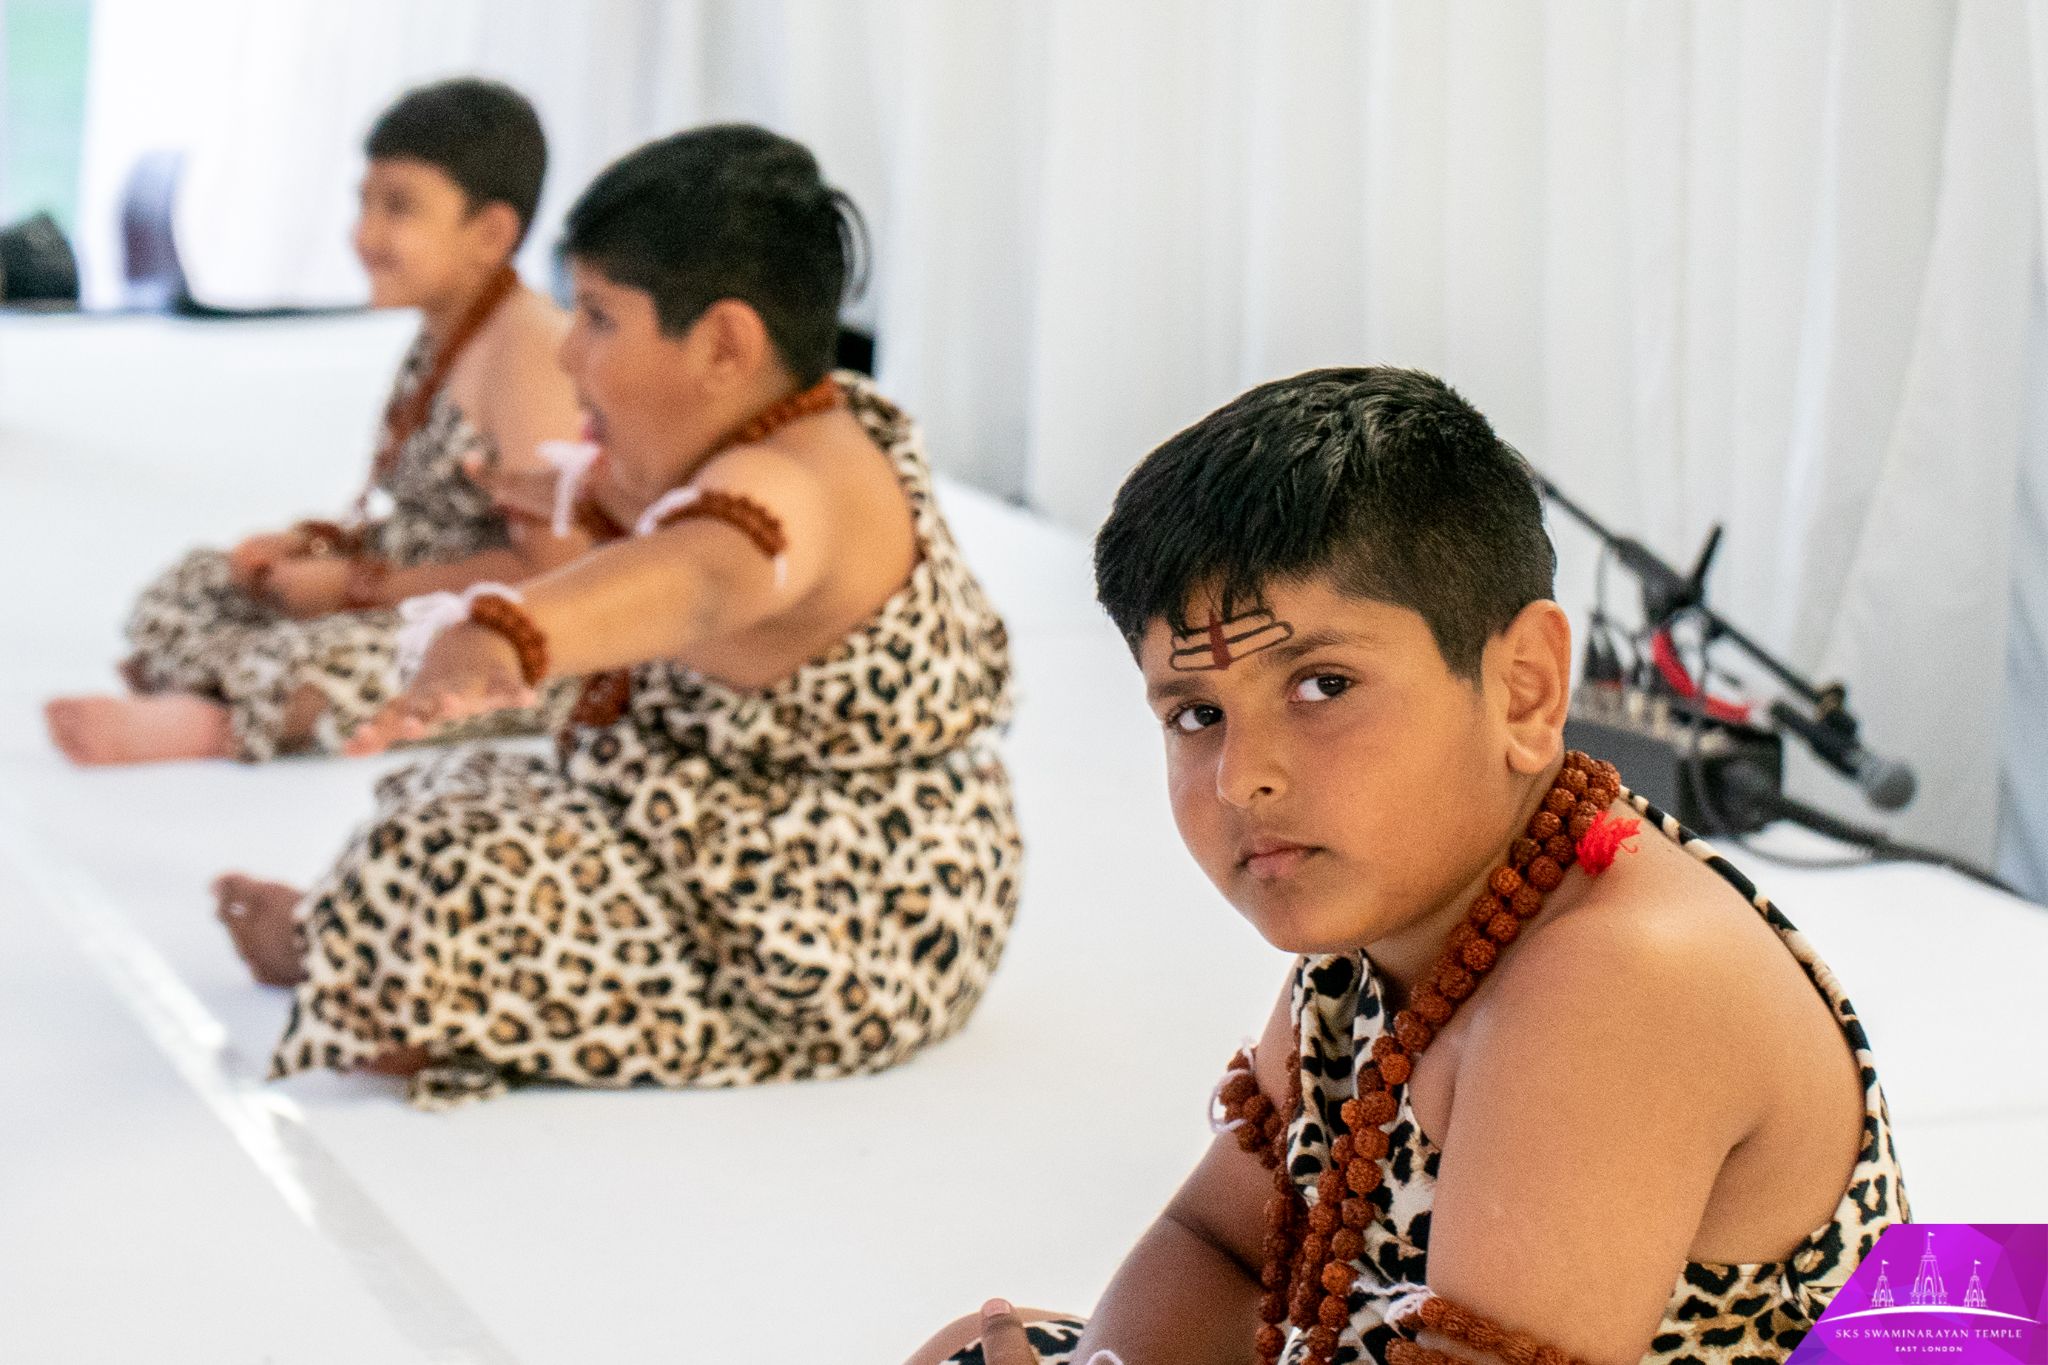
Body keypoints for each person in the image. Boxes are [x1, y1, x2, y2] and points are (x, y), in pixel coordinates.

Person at [907, 368, 1906, 1365]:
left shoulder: (1618, 979)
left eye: (1322, 684)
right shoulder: (1389, 919)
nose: (1241, 778)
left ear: (1522, 689)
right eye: (1196, 714)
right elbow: (1220, 1247)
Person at [210, 125, 1022, 1110]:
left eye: (596, 317)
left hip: (833, 920)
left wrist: (508, 631)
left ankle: (390, 983)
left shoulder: (791, 483)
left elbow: (701, 580)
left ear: (723, 344)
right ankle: (372, 956)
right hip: (723, 829)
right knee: (449, 788)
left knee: (439, 861)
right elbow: (665, 559)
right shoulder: (775, 431)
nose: (567, 350)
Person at [45, 77, 590, 765]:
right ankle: (233, 690)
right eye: (363, 203)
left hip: (493, 627)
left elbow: (550, 573)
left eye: (399, 209)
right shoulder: (443, 329)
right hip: (405, 578)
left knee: (329, 655)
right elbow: (419, 510)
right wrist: (316, 546)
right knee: (194, 583)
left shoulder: (531, 352)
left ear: (491, 232)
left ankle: (220, 722)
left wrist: (361, 588)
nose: (364, 235)